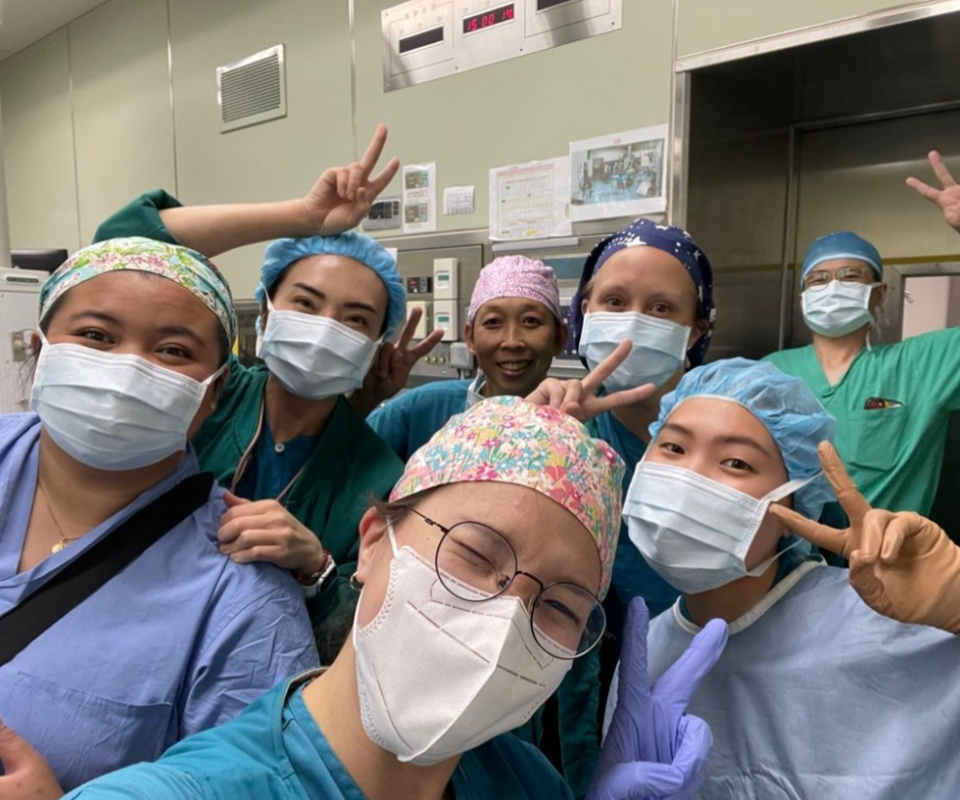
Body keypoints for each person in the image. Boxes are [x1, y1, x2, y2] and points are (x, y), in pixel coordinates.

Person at [63, 395, 728, 800]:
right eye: (474, 552)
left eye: (559, 606)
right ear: (375, 538)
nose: (504, 623)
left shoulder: (527, 784)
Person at [618, 358, 960, 798]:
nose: (690, 476)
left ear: (793, 503)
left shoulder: (903, 634)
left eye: (736, 463)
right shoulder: (647, 659)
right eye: (673, 448)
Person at [0, 238, 318, 796]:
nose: (127, 367)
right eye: (96, 336)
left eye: (172, 351)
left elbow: (256, 784)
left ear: (211, 394)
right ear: (41, 351)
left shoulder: (241, 598)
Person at [93, 126, 443, 635]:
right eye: (305, 302)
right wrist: (301, 216)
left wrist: (315, 567)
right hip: (124, 625)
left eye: (355, 319)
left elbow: (369, 624)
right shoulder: (202, 395)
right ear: (264, 308)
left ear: (374, 346)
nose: (325, 328)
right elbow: (125, 246)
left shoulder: (376, 475)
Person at [765, 151, 960, 516]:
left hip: (885, 567)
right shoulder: (768, 373)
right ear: (802, 299)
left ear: (878, 294)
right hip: (788, 565)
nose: (832, 287)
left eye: (850, 276)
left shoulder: (920, 365)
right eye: (819, 279)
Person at [567, 217, 715, 621]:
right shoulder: (566, 427)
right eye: (614, 302)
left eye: (661, 308)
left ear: (695, 329)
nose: (633, 323)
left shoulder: (741, 429)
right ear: (586, 311)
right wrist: (540, 440)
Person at [367, 255, 567, 462]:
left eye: (531, 321)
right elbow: (338, 468)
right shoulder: (419, 410)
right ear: (470, 337)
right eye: (493, 322)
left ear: (559, 338)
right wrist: (365, 399)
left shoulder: (581, 420)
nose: (511, 342)